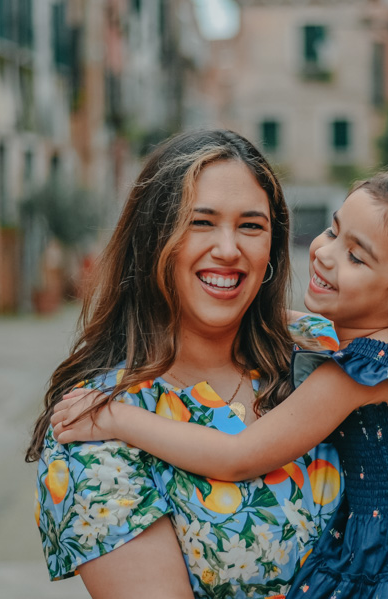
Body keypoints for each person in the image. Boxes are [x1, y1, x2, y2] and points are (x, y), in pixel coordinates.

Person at [52, 171, 388, 598]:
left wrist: (115, 417)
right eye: (333, 231)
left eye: (355, 256)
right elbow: (284, 325)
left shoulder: (366, 369)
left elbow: (238, 457)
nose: (324, 253)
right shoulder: (377, 338)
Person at [26, 129, 343, 598]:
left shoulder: (322, 349)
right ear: (153, 240)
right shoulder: (95, 427)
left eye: (252, 226)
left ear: (272, 248)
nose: (229, 249)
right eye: (201, 222)